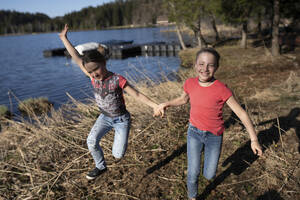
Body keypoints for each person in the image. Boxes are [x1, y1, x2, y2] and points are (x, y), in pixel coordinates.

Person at [157, 48, 263, 200]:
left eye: (210, 65)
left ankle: (207, 169)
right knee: (193, 172)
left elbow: (241, 113)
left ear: (216, 67)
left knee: (209, 174)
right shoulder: (190, 83)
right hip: (193, 132)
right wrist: (166, 104)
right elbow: (183, 99)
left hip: (214, 136)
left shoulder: (221, 89)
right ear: (195, 65)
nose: (205, 69)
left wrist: (254, 139)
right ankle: (192, 196)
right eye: (201, 64)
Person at [59, 24, 161, 180]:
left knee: (118, 155)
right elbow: (76, 57)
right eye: (90, 71)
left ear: (104, 63)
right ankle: (100, 166)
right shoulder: (93, 77)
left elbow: (137, 94)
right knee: (91, 141)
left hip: (121, 119)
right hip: (104, 117)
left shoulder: (117, 79)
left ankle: (120, 140)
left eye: (96, 69)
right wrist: (64, 38)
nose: (93, 74)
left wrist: (155, 105)